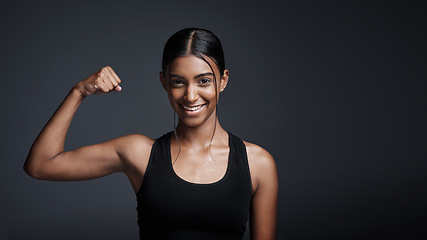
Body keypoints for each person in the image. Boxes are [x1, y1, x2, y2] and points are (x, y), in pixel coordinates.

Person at [24, 28, 278, 240]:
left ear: (222, 81)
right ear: (164, 82)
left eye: (203, 81)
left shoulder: (257, 164)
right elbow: (40, 165)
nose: (190, 96)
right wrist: (79, 91)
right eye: (178, 82)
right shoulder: (139, 153)